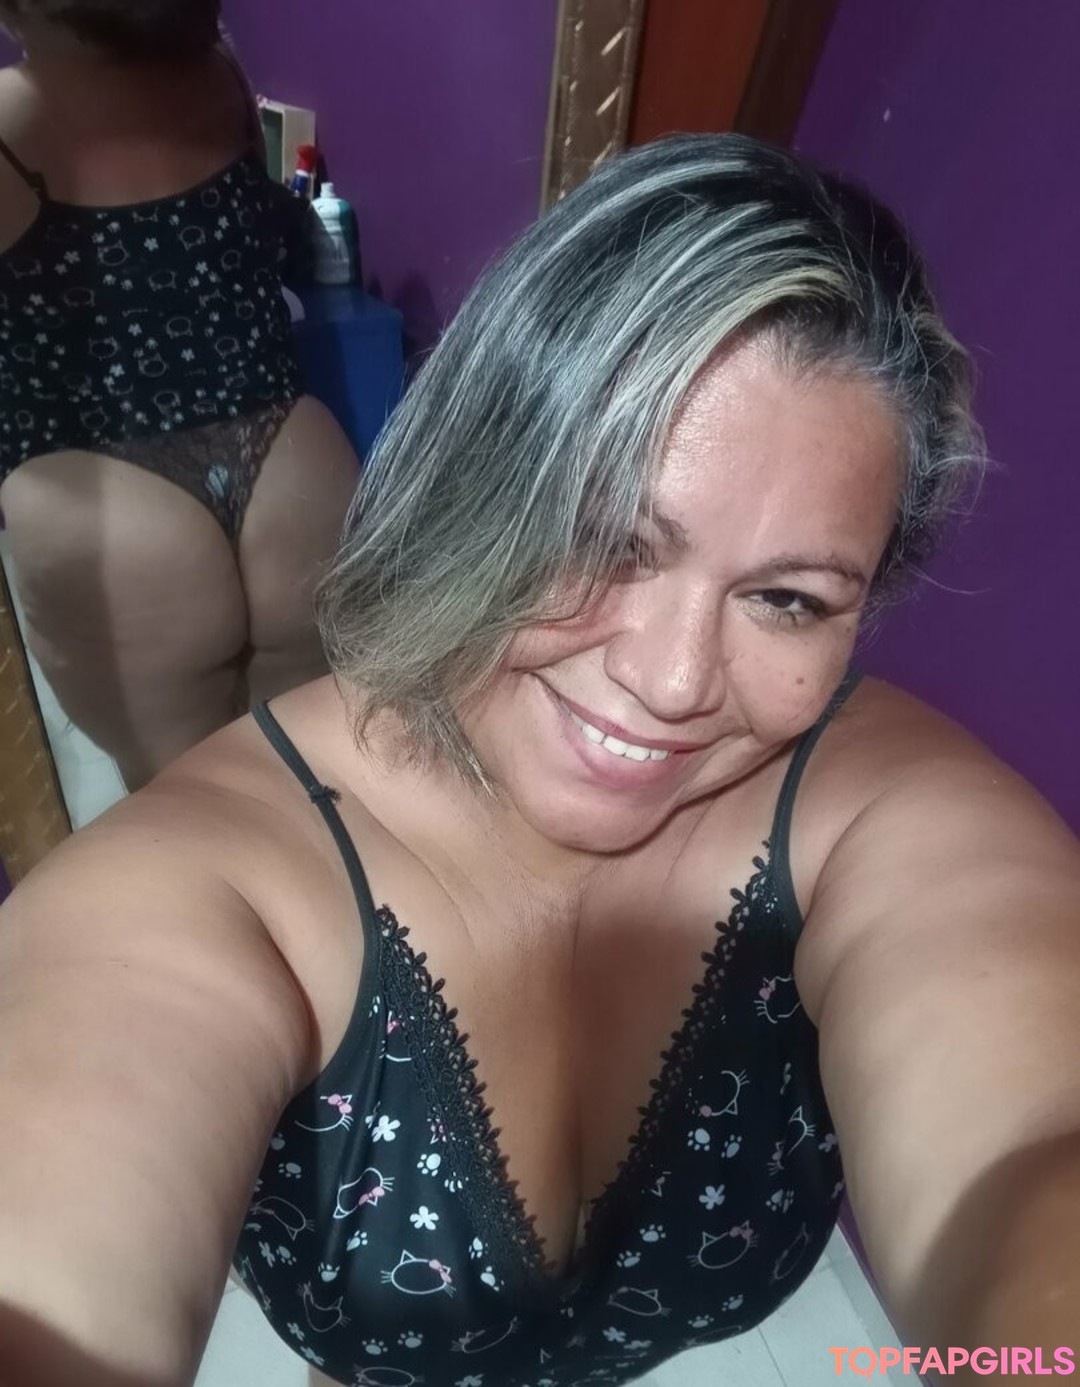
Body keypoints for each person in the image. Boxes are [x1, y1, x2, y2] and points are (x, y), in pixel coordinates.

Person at [1, 133, 1078, 1387]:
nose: (673, 680)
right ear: (474, 489)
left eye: (787, 598)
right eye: (606, 539)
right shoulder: (199, 891)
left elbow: (1032, 1152)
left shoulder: (876, 815)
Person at [0, 0, 360, 790]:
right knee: (315, 773)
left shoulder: (11, 122)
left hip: (103, 493)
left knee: (188, 802)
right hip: (289, 457)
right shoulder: (219, 75)